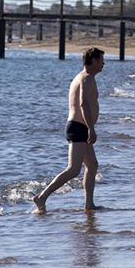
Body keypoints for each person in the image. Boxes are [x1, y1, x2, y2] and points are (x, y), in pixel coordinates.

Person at [33, 48, 105, 213]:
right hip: (79, 127)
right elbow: (83, 103)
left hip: (81, 126)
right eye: (101, 60)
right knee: (73, 169)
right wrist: (91, 129)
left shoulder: (83, 78)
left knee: (92, 165)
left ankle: (89, 204)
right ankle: (41, 197)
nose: (103, 64)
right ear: (93, 61)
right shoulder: (86, 79)